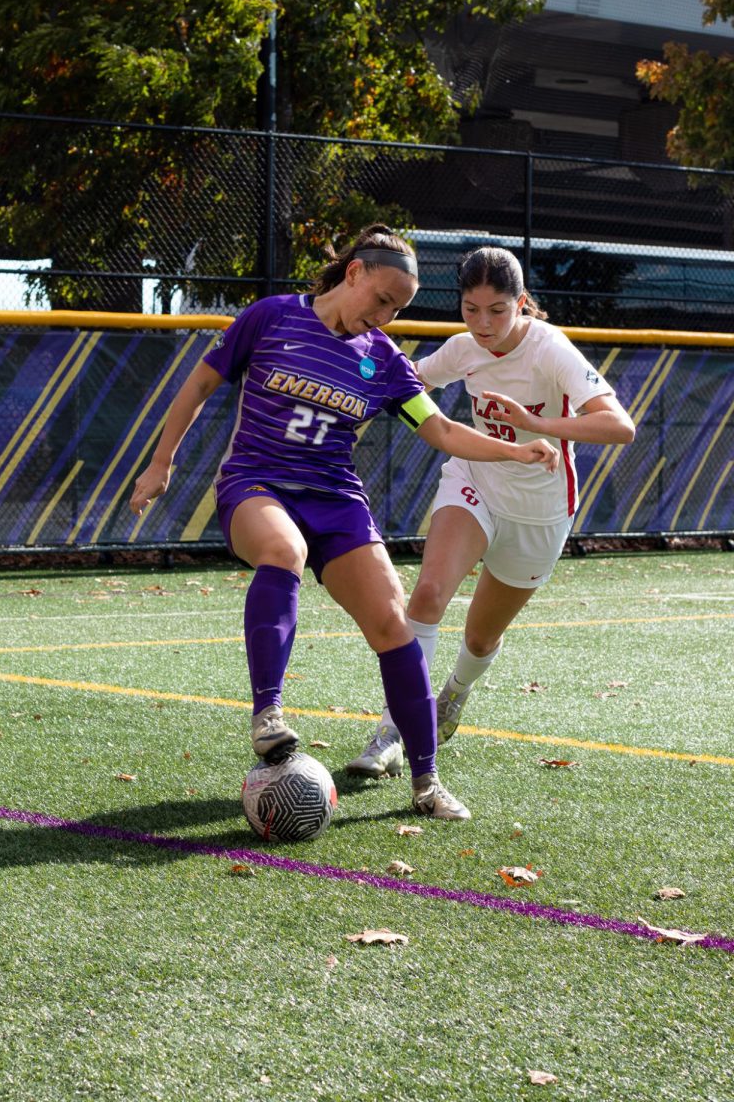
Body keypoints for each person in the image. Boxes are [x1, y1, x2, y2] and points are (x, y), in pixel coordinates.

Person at [129, 226, 559, 821]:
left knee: (392, 618)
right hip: (257, 483)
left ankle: (426, 780)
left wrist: (513, 450)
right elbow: (201, 381)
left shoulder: (382, 358)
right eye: (381, 299)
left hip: (334, 497)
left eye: (398, 309)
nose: (385, 315)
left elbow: (439, 431)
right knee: (283, 552)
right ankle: (268, 715)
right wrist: (160, 462)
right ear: (353, 272)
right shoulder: (271, 317)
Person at [346, 244, 636, 780]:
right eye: (470, 309)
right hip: (474, 479)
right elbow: (403, 383)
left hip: (540, 511)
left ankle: (454, 694)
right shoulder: (462, 348)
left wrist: (539, 423)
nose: (482, 323)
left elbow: (620, 426)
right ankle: (394, 728)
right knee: (428, 595)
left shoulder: (551, 351)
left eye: (497, 310)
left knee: (480, 638)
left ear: (522, 303)